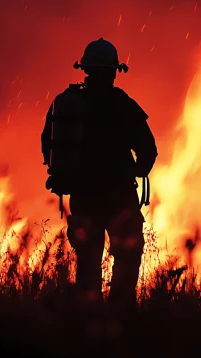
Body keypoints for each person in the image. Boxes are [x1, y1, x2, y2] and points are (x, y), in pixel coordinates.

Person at [41, 38, 157, 306]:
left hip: (83, 197)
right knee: (127, 258)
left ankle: (87, 314)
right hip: (120, 197)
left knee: (88, 261)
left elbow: (47, 142)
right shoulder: (124, 105)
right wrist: (136, 171)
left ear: (85, 69)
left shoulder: (67, 104)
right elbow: (148, 149)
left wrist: (67, 170)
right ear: (115, 70)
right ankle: (120, 311)